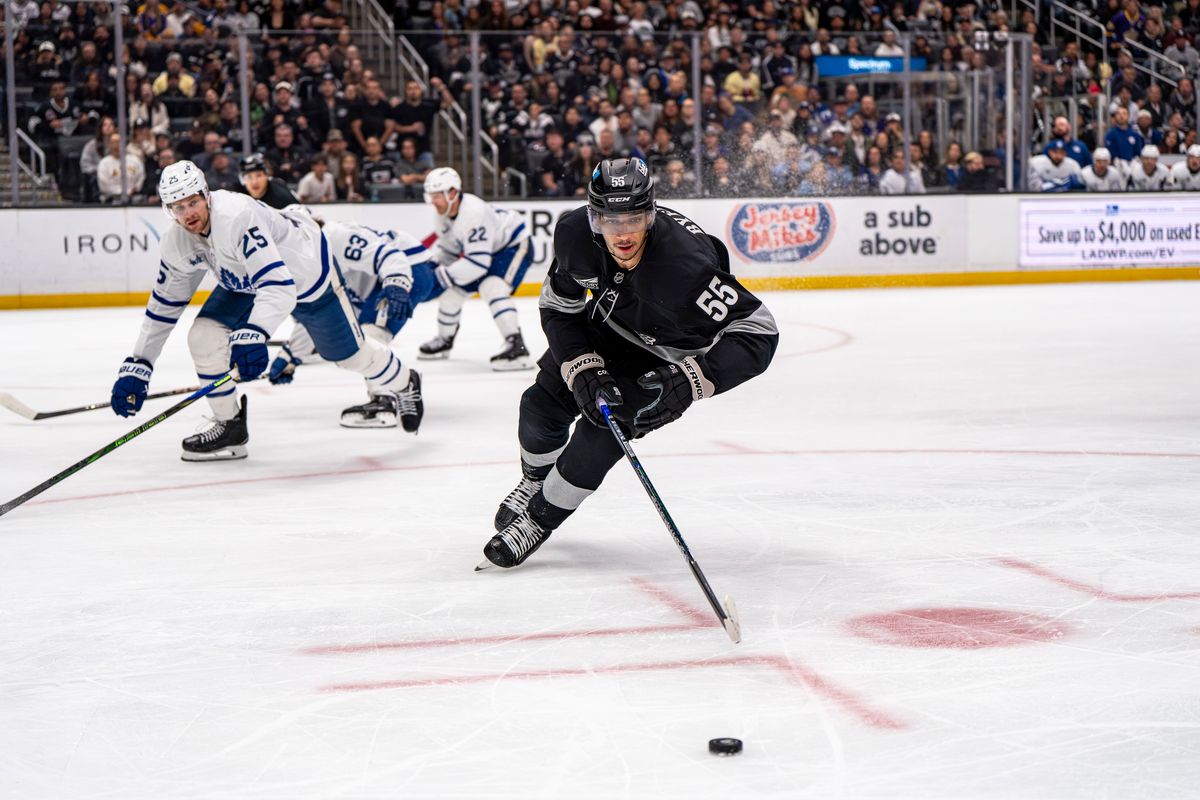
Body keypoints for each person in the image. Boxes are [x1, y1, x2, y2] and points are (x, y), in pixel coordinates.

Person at [478, 157, 779, 570]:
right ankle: (534, 483)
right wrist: (582, 367)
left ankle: (538, 519)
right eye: (608, 219)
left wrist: (695, 378)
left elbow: (759, 330)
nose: (622, 234)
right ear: (592, 216)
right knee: (539, 406)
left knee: (602, 431)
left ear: (651, 213)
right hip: (606, 327)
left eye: (634, 218)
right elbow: (558, 307)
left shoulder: (685, 264)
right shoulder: (574, 235)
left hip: (664, 357)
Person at [108, 162, 424, 460]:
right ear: (169, 211)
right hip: (245, 279)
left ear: (206, 195)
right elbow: (163, 307)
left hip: (307, 274)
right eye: (178, 207)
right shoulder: (177, 241)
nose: (188, 213)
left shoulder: (235, 216)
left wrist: (254, 333)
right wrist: (140, 362)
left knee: (349, 357)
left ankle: (405, 381)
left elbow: (280, 286)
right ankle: (229, 425)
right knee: (203, 336)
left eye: (193, 202)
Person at [268, 218, 443, 426]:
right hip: (379, 283)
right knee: (362, 337)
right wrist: (291, 355)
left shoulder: (335, 237)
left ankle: (384, 400)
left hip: (408, 268)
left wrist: (396, 283)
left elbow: (389, 256)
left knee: (371, 334)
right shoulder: (303, 258)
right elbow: (322, 313)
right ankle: (392, 390)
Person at [418, 167, 535, 370]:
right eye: (431, 196)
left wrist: (440, 277)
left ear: (452, 193)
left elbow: (478, 265)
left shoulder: (474, 212)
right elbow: (449, 254)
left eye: (437, 196)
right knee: (450, 293)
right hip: (485, 253)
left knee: (492, 286)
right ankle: (444, 340)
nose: (433, 201)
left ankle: (517, 346)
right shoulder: (441, 216)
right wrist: (433, 271)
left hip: (512, 245)